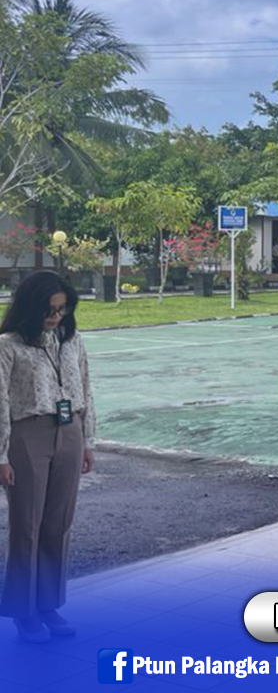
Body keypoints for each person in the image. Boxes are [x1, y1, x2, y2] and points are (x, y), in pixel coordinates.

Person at [0, 272, 94, 643]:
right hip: (28, 435)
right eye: (49, 310)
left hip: (70, 432)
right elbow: (0, 401)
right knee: (27, 526)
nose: (56, 316)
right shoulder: (8, 345)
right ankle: (23, 611)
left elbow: (86, 387)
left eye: (62, 309)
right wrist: (1, 455)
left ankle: (48, 603)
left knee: (58, 524)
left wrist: (88, 441)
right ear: (31, 307)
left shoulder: (72, 340)